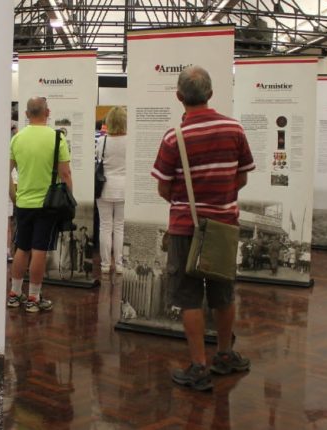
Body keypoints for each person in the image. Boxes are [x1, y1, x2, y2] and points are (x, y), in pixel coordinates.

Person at [152, 66, 255, 391]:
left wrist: (187, 200)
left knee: (190, 298)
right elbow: (241, 177)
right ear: (211, 94)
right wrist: (221, 197)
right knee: (223, 295)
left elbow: (164, 189)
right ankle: (225, 355)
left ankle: (199, 366)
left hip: (185, 228)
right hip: (224, 226)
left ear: (179, 97)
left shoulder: (173, 138)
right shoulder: (234, 129)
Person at [7, 97, 73, 313]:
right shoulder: (57, 138)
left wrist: (13, 195)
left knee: (21, 248)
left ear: (26, 114)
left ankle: (15, 294)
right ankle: (34, 298)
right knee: (39, 250)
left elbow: (6, 171)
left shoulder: (17, 139)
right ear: (48, 112)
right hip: (48, 204)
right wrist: (69, 199)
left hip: (24, 202)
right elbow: (65, 173)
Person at [96, 106, 127, 275]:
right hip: (124, 188)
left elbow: (98, 159)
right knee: (120, 227)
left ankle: (105, 264)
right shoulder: (131, 141)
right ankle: (120, 264)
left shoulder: (102, 141)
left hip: (104, 187)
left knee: (105, 227)